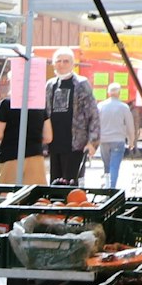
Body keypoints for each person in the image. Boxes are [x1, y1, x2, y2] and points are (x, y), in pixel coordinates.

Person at [40, 48, 98, 185]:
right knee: (54, 184)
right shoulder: (50, 85)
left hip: (75, 144)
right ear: (53, 64)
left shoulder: (81, 84)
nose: (62, 64)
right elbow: (44, 112)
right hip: (54, 144)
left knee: (71, 185)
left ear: (73, 64)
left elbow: (93, 114)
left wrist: (92, 142)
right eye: (58, 61)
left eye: (66, 61)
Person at [0, 66, 47, 186]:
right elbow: (49, 136)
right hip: (36, 156)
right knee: (35, 195)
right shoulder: (39, 106)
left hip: (10, 155)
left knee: (5, 194)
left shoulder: (6, 104)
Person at [95, 83, 136, 190]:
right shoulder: (124, 107)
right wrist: (131, 141)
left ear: (108, 93)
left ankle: (107, 185)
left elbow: (95, 124)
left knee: (106, 165)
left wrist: (95, 140)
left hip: (104, 140)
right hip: (118, 140)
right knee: (114, 165)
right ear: (119, 93)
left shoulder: (101, 106)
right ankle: (111, 188)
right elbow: (130, 126)